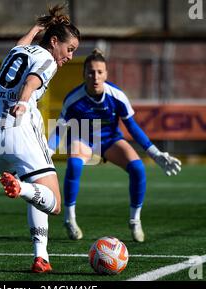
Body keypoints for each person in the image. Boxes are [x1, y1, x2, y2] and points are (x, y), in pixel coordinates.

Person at [0, 4, 80, 273]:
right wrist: (24, 103)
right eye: (69, 49)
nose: (70, 57)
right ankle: (20, 187)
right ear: (55, 42)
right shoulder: (47, 59)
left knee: (38, 191)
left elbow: (21, 44)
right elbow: (33, 81)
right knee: (55, 202)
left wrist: (37, 27)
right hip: (18, 132)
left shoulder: (19, 50)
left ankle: (41, 257)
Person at [48, 49, 181, 242]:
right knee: (74, 164)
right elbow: (59, 129)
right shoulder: (73, 99)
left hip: (110, 140)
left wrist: (155, 153)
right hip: (84, 139)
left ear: (106, 74)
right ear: (83, 73)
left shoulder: (116, 96)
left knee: (138, 168)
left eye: (100, 72)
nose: (95, 76)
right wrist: (47, 153)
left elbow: (132, 127)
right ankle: (70, 219)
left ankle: (135, 220)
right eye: (91, 72)